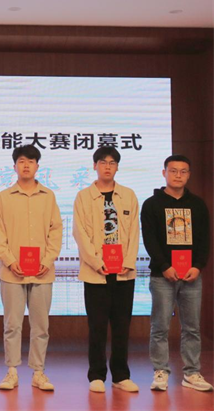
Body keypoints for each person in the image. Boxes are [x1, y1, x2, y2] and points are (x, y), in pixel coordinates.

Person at [0, 145, 62, 392]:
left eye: (31, 161)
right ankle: (11, 371)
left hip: (42, 272)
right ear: (14, 166)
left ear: (37, 166)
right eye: (21, 161)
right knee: (12, 324)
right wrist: (11, 261)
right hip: (12, 273)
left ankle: (38, 372)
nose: (26, 166)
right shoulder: (3, 198)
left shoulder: (49, 196)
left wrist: (47, 260)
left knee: (41, 326)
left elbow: (56, 231)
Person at [142, 154, 212, 392]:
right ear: (164, 173)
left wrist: (198, 266)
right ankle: (160, 371)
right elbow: (149, 239)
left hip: (192, 275)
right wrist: (164, 266)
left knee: (192, 327)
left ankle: (191, 373)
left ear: (189, 175)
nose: (178, 175)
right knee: (160, 326)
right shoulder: (151, 204)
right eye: (173, 171)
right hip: (162, 275)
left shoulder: (198, 204)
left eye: (183, 171)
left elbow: (204, 239)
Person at [73, 146, 140, 393]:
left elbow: (134, 232)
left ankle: (120, 375)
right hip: (95, 273)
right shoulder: (83, 197)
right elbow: (80, 233)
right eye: (103, 162)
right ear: (95, 166)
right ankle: (97, 375)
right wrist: (96, 261)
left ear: (117, 167)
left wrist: (128, 261)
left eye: (112, 163)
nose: (107, 167)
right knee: (97, 326)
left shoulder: (128, 195)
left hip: (123, 273)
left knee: (122, 325)